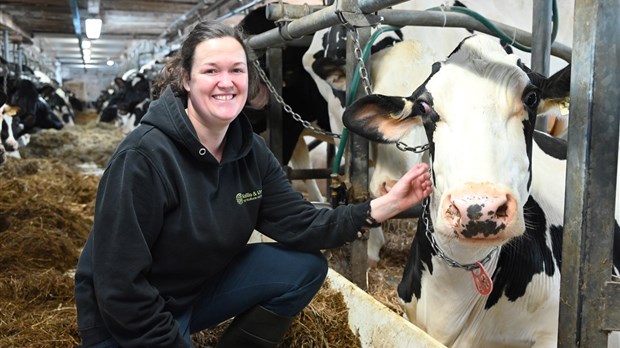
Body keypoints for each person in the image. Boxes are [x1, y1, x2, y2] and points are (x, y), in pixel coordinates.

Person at [74, 20, 432, 348]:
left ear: (250, 80)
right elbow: (119, 286)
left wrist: (385, 206)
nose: (226, 82)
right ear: (185, 79)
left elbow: (302, 224)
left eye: (237, 70)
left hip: (188, 294)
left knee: (303, 268)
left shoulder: (249, 150)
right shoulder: (143, 158)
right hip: (123, 322)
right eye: (210, 70)